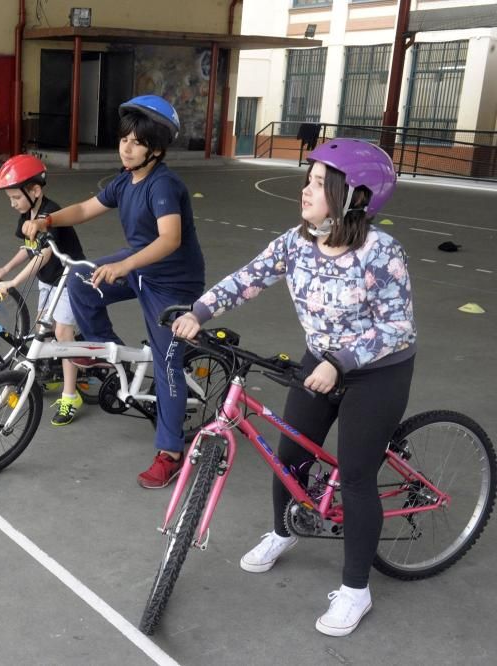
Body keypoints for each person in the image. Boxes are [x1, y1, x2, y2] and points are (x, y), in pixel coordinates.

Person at [170, 138, 415, 637]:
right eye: (309, 179)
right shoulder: (296, 242)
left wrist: (342, 362)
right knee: (290, 458)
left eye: (321, 184)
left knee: (357, 475)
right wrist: (199, 311)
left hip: (377, 369)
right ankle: (283, 531)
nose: (306, 190)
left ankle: (355, 591)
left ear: (353, 196)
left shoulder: (381, 252)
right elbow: (249, 278)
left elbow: (397, 327)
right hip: (319, 363)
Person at [22, 95, 205, 487]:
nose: (126, 146)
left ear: (155, 149)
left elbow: (170, 239)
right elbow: (87, 210)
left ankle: (170, 452)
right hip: (140, 265)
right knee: (80, 280)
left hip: (172, 282)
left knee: (167, 365)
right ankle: (108, 352)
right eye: (124, 138)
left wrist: (124, 265)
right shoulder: (125, 181)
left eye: (136, 142)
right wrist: (48, 219)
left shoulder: (164, 184)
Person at [0, 154, 87, 426]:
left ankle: (70, 395)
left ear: (35, 190)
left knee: (63, 333)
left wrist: (14, 282)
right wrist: (4, 269)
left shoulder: (50, 214)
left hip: (70, 278)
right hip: (48, 280)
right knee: (46, 329)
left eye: (15, 198)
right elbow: (28, 248)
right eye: (9, 199)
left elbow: (42, 255)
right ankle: (56, 372)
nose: (12, 204)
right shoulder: (27, 215)